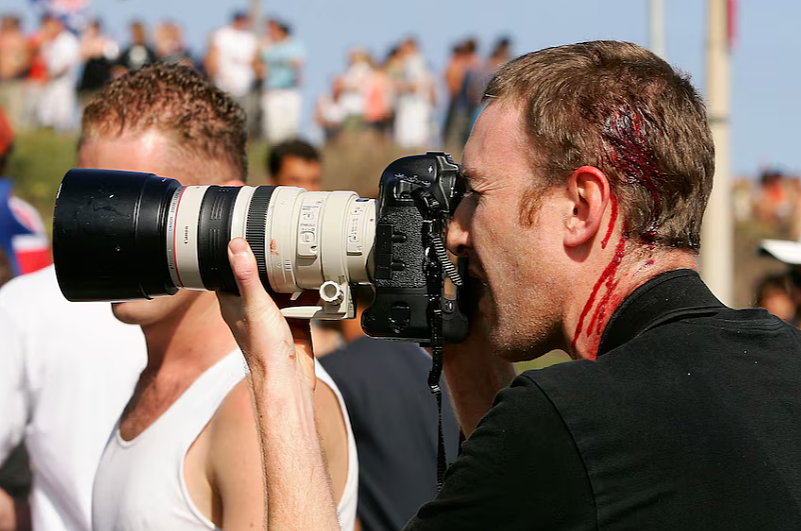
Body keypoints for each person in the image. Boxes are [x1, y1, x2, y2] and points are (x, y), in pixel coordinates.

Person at [217, 40, 801, 530]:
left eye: (476, 193)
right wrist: (468, 361)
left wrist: (281, 371)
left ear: (581, 206)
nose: (457, 231)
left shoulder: (569, 420)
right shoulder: (783, 365)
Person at [82, 63, 357, 531]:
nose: (102, 233)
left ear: (222, 209)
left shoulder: (253, 402)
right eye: (91, 203)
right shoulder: (163, 376)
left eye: (132, 206)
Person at [204, 12, 259, 136]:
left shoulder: (250, 38)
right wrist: (215, 75)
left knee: (244, 119)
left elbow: (255, 60)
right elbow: (212, 57)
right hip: (224, 84)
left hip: (245, 85)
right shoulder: (222, 35)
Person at [260, 18, 304, 145]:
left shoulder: (294, 45)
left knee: (291, 125)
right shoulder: (268, 45)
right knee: (273, 126)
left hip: (290, 89)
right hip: (272, 90)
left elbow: (298, 62)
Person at [37, 14, 80, 131]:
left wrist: (51, 74)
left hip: (63, 82)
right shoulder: (49, 41)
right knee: (46, 113)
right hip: (49, 82)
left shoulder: (68, 40)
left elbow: (67, 64)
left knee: (62, 113)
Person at [0, 15, 31, 130]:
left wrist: (17, 70)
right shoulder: (2, 38)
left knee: (14, 112)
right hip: (2, 80)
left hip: (15, 81)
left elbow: (26, 59)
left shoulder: (20, 40)